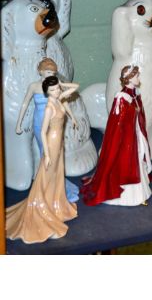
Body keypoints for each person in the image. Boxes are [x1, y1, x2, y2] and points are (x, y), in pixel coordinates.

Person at [6, 76, 79, 243]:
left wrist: (60, 84)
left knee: (57, 174)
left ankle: (55, 203)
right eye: (52, 90)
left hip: (59, 142)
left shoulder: (59, 99)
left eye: (57, 89)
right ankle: (41, 205)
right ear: (46, 92)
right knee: (46, 175)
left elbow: (75, 86)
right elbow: (42, 132)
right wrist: (46, 154)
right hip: (52, 142)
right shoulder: (49, 107)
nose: (56, 92)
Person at [81, 65, 152, 206]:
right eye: (136, 76)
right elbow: (117, 123)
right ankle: (128, 195)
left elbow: (139, 115)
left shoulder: (135, 94)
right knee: (128, 162)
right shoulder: (121, 97)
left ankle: (140, 194)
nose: (138, 78)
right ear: (129, 78)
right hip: (125, 140)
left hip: (136, 135)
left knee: (138, 158)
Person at [15, 58, 80, 202]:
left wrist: (73, 117)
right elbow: (25, 103)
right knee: (46, 154)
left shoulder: (54, 87)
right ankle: (49, 185)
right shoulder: (34, 86)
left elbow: (62, 101)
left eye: (54, 72)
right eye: (49, 72)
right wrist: (18, 123)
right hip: (40, 122)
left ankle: (56, 183)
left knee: (56, 154)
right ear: (41, 71)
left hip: (56, 122)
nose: (51, 74)